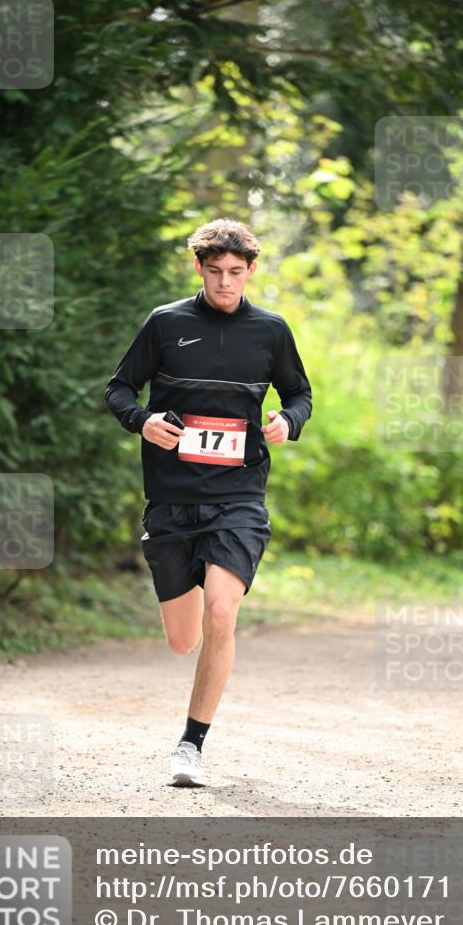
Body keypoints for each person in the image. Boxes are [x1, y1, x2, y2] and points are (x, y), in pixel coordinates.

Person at [104, 218, 312, 786]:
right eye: (216, 272)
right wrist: (142, 420)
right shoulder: (166, 323)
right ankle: (191, 591)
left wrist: (287, 422)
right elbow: (118, 388)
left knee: (223, 610)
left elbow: (299, 393)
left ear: (251, 272)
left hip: (238, 494)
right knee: (183, 639)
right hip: (172, 497)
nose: (226, 283)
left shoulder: (270, 331)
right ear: (199, 268)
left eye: (236, 273)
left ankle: (190, 747)